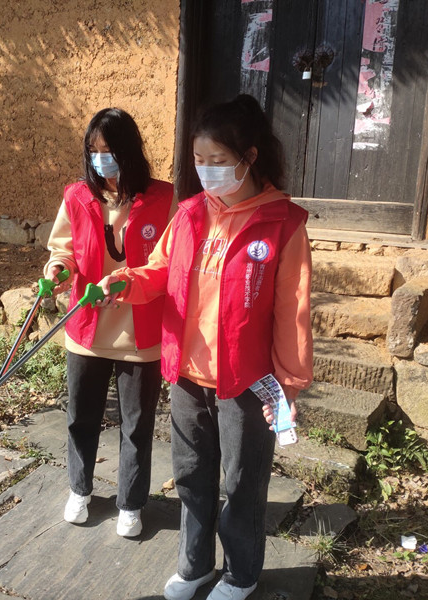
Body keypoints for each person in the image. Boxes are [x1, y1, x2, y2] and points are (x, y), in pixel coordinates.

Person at [99, 95, 313, 600]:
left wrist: (289, 383)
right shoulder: (192, 214)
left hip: (246, 378)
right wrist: (124, 281)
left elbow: (293, 312)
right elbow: (158, 271)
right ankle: (194, 566)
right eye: (199, 161)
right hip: (187, 372)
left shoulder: (283, 224)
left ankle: (241, 573)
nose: (207, 171)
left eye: (219, 161)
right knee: (192, 476)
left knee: (242, 482)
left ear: (250, 157)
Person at [44, 108, 175, 537]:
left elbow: (166, 263)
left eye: (110, 151)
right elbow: (61, 250)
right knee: (81, 416)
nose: (102, 160)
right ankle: (80, 490)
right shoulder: (77, 196)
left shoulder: (163, 198)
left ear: (130, 151)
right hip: (86, 328)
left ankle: (131, 503)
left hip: (141, 331)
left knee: (136, 424)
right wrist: (57, 271)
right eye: (94, 151)